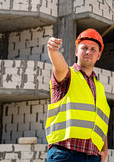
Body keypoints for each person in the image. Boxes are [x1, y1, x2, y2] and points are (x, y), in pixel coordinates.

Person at [45, 28, 110, 162]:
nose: (88, 52)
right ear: (76, 51)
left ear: (99, 55)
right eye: (84, 47)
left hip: (93, 157)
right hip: (66, 154)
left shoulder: (99, 87)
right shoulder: (68, 75)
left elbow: (100, 121)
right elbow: (59, 66)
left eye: (93, 49)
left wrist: (104, 149)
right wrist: (53, 51)